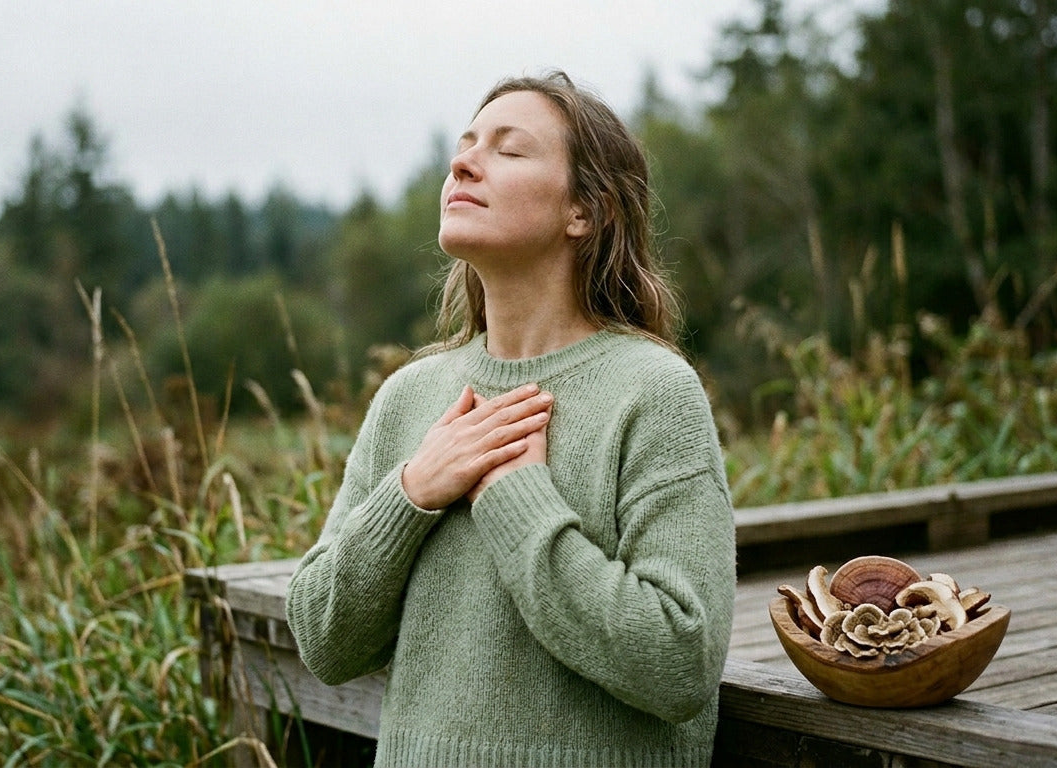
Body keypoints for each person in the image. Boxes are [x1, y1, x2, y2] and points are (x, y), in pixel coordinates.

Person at [285, 70, 735, 767]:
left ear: (583, 210)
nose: (462, 162)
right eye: (465, 146)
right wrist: (409, 495)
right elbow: (322, 639)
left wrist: (515, 500)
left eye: (508, 149)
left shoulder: (652, 392)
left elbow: (678, 661)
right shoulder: (409, 398)